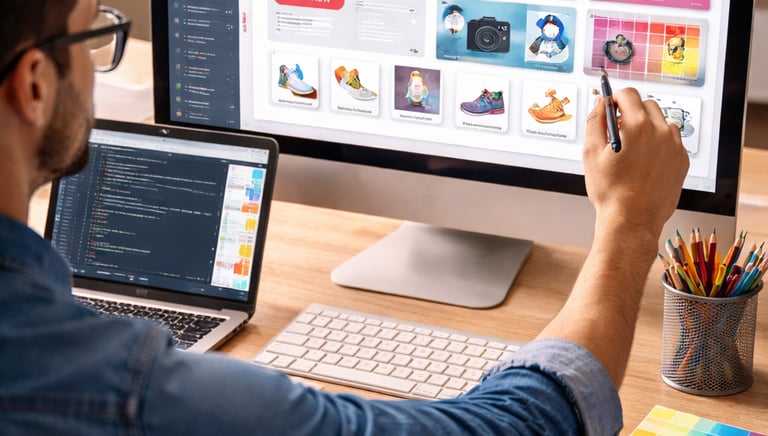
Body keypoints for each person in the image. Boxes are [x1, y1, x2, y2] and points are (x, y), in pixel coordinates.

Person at [0, 0, 689, 434]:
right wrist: (629, 220)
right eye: (91, 37)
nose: (96, 68)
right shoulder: (120, 389)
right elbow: (524, 426)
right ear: (34, 85)